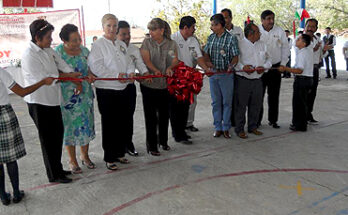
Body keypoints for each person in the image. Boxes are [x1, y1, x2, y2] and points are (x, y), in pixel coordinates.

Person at [22, 19, 81, 184]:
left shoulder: (48, 50)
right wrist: (70, 77)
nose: (51, 40)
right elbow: (46, 79)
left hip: (53, 101)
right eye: (48, 37)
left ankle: (58, 168)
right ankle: (53, 174)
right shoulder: (29, 55)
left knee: (57, 136)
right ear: (37, 37)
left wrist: (73, 74)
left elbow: (62, 64)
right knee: (48, 140)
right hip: (39, 103)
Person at [88, 14, 135, 170]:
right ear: (103, 27)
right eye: (109, 25)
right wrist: (116, 76)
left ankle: (120, 153)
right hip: (106, 90)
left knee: (122, 122)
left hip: (123, 88)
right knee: (109, 124)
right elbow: (97, 68)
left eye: (115, 26)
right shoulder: (98, 45)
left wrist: (129, 74)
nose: (112, 29)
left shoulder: (121, 43)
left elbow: (128, 62)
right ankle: (109, 157)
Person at [0, 68, 53, 205]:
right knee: (10, 158)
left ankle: (3, 197)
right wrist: (42, 82)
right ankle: (16, 193)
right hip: (3, 115)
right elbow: (22, 92)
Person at [55, 24, 96, 174]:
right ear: (64, 41)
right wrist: (73, 80)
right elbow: (57, 74)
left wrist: (91, 75)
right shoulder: (58, 53)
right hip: (68, 98)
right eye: (73, 40)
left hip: (84, 95)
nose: (78, 42)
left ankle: (85, 156)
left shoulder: (85, 50)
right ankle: (72, 160)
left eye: (78, 39)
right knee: (70, 129)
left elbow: (90, 68)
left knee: (85, 124)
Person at [140, 18, 179, 156]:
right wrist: (154, 70)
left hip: (164, 86)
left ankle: (163, 141)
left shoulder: (171, 44)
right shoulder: (147, 42)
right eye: (149, 29)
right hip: (148, 86)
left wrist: (170, 67)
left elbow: (174, 60)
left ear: (162, 30)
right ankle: (152, 146)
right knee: (150, 117)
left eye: (153, 29)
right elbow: (146, 60)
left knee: (164, 115)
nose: (150, 32)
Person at [171, 16, 209, 144]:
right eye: (193, 27)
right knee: (177, 107)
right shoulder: (173, 39)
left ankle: (183, 130)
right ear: (185, 27)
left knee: (187, 105)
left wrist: (206, 69)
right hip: (177, 78)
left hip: (190, 77)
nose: (194, 29)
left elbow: (199, 57)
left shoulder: (193, 40)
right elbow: (171, 59)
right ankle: (178, 134)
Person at [203, 13, 239, 138]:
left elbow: (235, 56)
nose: (211, 27)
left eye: (214, 25)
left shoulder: (231, 38)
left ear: (220, 25)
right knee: (216, 102)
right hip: (213, 74)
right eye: (211, 25)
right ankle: (217, 127)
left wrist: (231, 66)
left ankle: (226, 127)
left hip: (226, 75)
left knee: (227, 102)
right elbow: (205, 52)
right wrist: (207, 62)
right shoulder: (211, 38)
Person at [116, 20, 149, 156]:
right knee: (117, 118)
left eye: (128, 33)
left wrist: (145, 73)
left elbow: (140, 64)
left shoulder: (134, 49)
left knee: (128, 117)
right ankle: (118, 147)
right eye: (123, 34)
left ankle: (128, 144)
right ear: (116, 35)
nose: (127, 37)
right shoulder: (113, 48)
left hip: (129, 87)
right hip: (114, 89)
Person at [234, 24, 271, 139]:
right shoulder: (239, 44)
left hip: (257, 80)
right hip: (243, 80)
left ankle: (252, 127)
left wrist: (264, 67)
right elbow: (235, 62)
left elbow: (269, 60)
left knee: (256, 105)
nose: (260, 34)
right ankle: (239, 129)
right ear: (250, 34)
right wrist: (243, 67)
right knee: (241, 106)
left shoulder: (263, 44)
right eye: (257, 32)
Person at [258, 10, 290, 129]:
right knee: (258, 96)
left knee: (274, 96)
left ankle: (273, 120)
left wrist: (283, 64)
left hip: (276, 67)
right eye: (268, 19)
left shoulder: (279, 31)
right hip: (260, 69)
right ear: (262, 20)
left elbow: (285, 49)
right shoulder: (257, 30)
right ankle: (257, 120)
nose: (271, 21)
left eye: (272, 18)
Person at [279, 34, 313, 132]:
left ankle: (299, 125)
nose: (296, 41)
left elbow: (299, 70)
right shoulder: (307, 51)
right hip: (307, 79)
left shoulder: (302, 53)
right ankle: (301, 123)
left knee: (299, 103)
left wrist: (285, 68)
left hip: (302, 80)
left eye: (298, 39)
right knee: (302, 103)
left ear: (303, 43)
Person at [303, 19, 321, 125]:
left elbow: (320, 53)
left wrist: (323, 50)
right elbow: (300, 51)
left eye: (313, 27)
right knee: (304, 93)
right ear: (305, 27)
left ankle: (309, 114)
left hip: (315, 68)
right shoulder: (301, 38)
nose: (310, 28)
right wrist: (313, 49)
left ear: (316, 29)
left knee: (312, 93)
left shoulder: (317, 39)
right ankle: (302, 116)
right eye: (308, 26)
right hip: (305, 69)